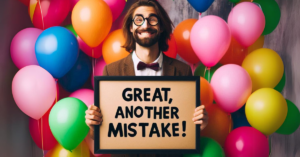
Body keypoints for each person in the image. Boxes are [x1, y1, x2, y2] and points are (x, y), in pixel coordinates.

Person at [85, 0, 208, 157]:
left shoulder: (182, 71)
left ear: (161, 26)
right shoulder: (112, 71)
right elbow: (102, 134)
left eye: (152, 19)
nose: (145, 25)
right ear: (131, 27)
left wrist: (199, 124)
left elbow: (184, 128)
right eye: (138, 20)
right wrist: (94, 124)